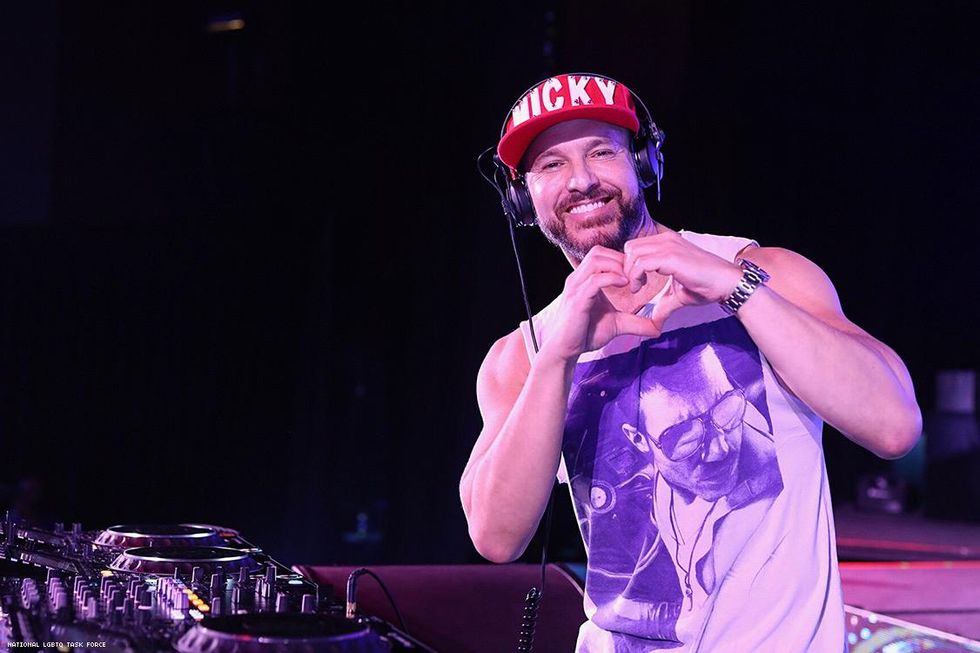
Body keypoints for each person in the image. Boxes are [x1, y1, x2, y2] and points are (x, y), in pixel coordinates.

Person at [459, 73, 922, 652]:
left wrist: (737, 288)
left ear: (644, 162)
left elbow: (894, 426)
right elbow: (495, 536)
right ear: (523, 196)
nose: (581, 180)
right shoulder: (524, 354)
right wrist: (557, 357)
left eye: (601, 152)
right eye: (552, 164)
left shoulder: (764, 273)